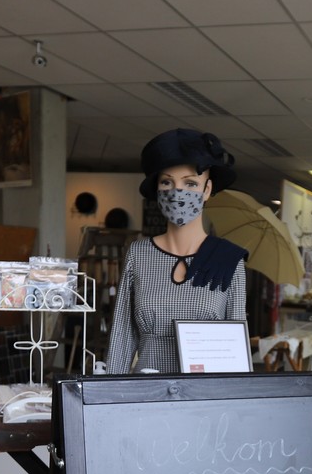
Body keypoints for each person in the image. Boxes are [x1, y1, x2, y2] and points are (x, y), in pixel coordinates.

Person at [105, 128, 248, 374]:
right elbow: (122, 335)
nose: (177, 192)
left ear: (207, 189)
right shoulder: (138, 254)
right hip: (147, 389)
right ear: (157, 189)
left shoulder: (228, 259)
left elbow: (236, 352)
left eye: (190, 183)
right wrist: (110, 391)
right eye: (167, 182)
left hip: (202, 393)